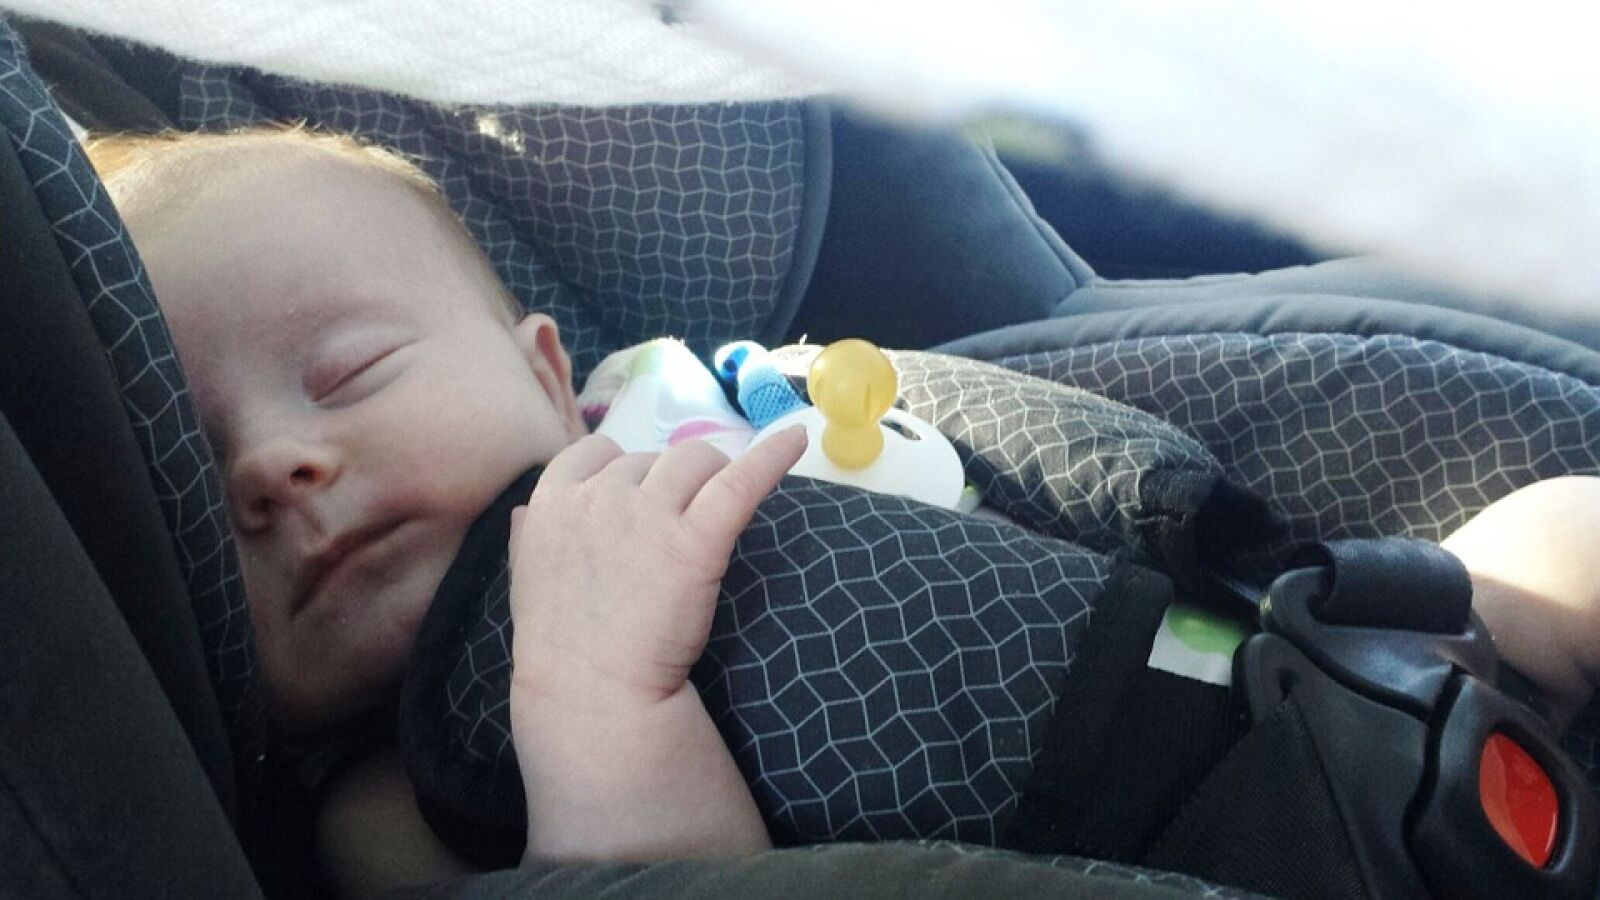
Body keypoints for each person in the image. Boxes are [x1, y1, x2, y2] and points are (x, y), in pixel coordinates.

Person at [86, 127, 1600, 895]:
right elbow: (680, 899)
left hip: (1312, 650)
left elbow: (995, 456)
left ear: (548, 377)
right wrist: (595, 702)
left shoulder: (726, 412)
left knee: (1558, 534)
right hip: (1176, 850)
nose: (274, 469)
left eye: (346, 373)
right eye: (196, 492)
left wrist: (1296, 564)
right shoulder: (380, 807)